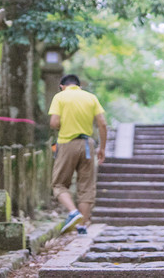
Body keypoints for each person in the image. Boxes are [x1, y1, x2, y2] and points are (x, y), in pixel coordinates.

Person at [48, 74, 107, 235]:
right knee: (86, 186)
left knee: (59, 184)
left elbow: (54, 123)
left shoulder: (60, 97)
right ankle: (82, 225)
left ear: (62, 86)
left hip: (67, 143)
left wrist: (66, 122)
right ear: (79, 86)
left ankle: (73, 212)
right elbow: (102, 123)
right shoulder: (91, 98)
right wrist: (102, 148)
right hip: (87, 144)